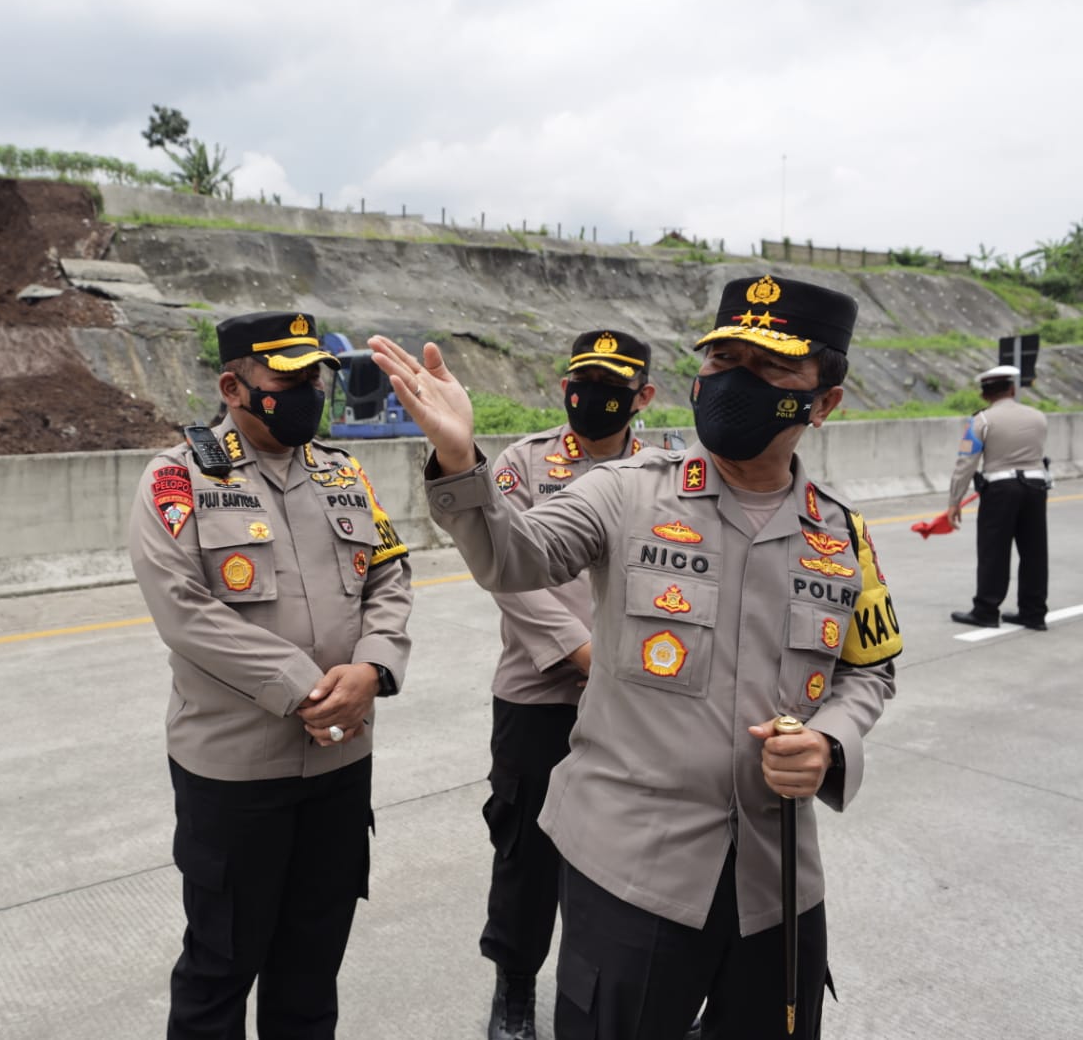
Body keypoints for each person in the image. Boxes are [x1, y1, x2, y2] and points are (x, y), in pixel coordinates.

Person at [369, 274, 902, 1040]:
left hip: (775, 877)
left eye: (770, 369)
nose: (735, 384)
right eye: (723, 362)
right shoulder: (626, 492)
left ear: (824, 402)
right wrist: (460, 462)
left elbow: (869, 667)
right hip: (632, 873)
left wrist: (832, 740)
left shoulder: (841, 536)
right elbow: (516, 558)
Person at [129, 310, 414, 1039]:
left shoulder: (344, 472)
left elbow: (390, 575)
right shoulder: (177, 479)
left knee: (311, 970)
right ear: (233, 385)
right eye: (288, 381)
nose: (310, 392)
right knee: (220, 970)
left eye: (314, 377)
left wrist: (373, 666)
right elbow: (183, 611)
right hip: (234, 778)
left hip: (340, 767)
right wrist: (305, 685)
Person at [480, 329, 655, 1040]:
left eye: (613, 384)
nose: (593, 394)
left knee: (628, 855)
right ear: (564, 386)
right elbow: (507, 573)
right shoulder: (522, 463)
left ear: (643, 396)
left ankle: (609, 993)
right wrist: (582, 652)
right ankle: (514, 993)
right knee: (526, 852)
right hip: (540, 693)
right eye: (583, 379)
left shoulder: (670, 473)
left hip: (638, 701)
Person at [946, 364, 1049, 630]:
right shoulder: (1038, 417)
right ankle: (1034, 613)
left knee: (994, 551)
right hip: (1036, 488)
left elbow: (966, 463)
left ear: (984, 395)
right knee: (1034, 552)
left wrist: (954, 501)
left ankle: (986, 611)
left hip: (1001, 491)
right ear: (1012, 389)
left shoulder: (981, 421)